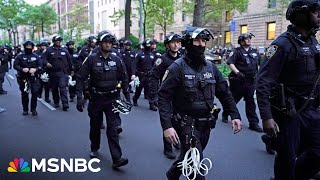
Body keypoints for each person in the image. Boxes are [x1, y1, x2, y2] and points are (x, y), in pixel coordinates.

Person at [158, 27, 242, 180]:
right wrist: (167, 126)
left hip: (206, 124)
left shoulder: (211, 67)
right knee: (195, 164)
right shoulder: (177, 68)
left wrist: (234, 114)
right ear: (188, 43)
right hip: (185, 124)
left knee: (188, 155)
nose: (201, 44)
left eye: (204, 41)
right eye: (197, 40)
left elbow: (224, 92)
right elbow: (163, 97)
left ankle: (173, 173)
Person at [256, 0, 320, 179]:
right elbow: (263, 82)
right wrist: (267, 117)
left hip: (312, 111)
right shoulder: (282, 45)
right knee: (287, 159)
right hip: (289, 114)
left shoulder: (313, 41)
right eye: (316, 11)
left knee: (317, 153)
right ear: (300, 14)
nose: (319, 15)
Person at [76, 31, 130, 168]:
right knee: (95, 125)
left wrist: (127, 97)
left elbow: (124, 78)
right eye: (105, 42)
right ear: (100, 44)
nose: (108, 44)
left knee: (113, 129)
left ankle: (117, 158)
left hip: (112, 99)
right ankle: (94, 148)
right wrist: (79, 98)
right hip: (96, 99)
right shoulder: (91, 59)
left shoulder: (116, 59)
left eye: (110, 42)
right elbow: (80, 78)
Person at [222, 33, 263, 133]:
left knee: (250, 102)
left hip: (250, 81)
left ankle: (253, 123)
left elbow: (259, 64)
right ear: (241, 41)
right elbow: (230, 62)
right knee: (233, 100)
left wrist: (259, 74)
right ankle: (226, 113)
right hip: (239, 81)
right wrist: (238, 72)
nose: (248, 40)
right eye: (246, 39)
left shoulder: (254, 52)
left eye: (249, 39)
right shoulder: (237, 51)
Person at [149, 33, 182, 159]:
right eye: (173, 42)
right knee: (168, 121)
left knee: (180, 121)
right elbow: (153, 78)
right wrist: (154, 96)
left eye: (178, 42)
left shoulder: (182, 58)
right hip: (166, 96)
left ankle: (177, 140)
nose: (176, 45)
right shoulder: (162, 60)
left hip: (180, 97)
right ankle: (168, 148)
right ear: (168, 45)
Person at [43, 36, 73, 111]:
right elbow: (43, 59)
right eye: (57, 41)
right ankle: (56, 101)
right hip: (53, 72)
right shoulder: (48, 50)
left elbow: (69, 61)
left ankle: (65, 103)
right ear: (54, 41)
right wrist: (46, 63)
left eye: (60, 41)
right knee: (54, 88)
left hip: (63, 72)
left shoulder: (64, 50)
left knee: (62, 87)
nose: (58, 42)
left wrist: (71, 70)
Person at [14, 40, 42, 116]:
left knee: (35, 93)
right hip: (24, 77)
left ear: (32, 47)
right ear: (25, 47)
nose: (29, 48)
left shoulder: (36, 56)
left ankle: (33, 109)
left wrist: (36, 69)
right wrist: (22, 69)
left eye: (30, 46)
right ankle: (25, 109)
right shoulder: (20, 56)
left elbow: (40, 65)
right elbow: (15, 65)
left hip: (34, 77)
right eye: (27, 46)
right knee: (24, 94)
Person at [132, 38, 158, 110]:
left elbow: (155, 65)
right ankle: (135, 99)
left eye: (149, 45)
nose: (148, 47)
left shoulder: (152, 55)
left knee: (150, 90)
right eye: (147, 45)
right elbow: (134, 64)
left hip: (149, 75)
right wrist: (133, 74)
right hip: (141, 75)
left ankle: (151, 104)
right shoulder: (139, 54)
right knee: (139, 90)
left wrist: (155, 74)